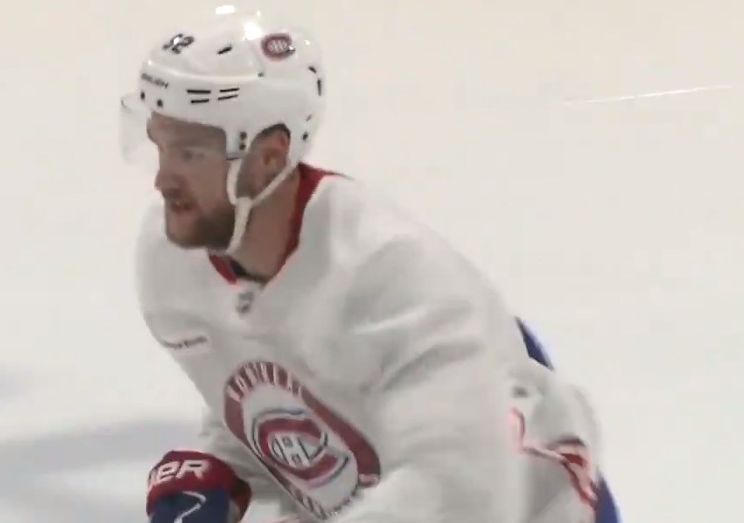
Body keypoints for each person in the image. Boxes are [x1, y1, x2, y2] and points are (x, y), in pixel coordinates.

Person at [121, 8, 621, 523]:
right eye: (161, 147)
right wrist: (220, 468)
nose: (163, 179)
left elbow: (455, 490)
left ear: (267, 158)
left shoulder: (392, 276)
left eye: (190, 154)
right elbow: (288, 392)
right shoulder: (171, 262)